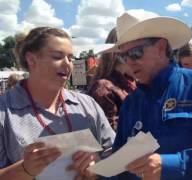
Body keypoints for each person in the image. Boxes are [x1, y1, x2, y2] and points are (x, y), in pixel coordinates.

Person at [106, 11, 192, 179]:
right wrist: (96, 169)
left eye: (135, 53)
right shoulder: (131, 103)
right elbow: (120, 166)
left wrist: (170, 165)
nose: (129, 61)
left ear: (160, 47)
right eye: (123, 56)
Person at [0, 27, 115, 179]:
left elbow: (113, 152)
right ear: (31, 59)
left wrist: (98, 165)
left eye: (71, 58)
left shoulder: (87, 105)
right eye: (57, 56)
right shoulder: (5, 110)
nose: (68, 64)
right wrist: (24, 169)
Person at [88, 28, 136, 130]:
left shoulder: (133, 83)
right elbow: (109, 133)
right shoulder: (104, 87)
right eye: (138, 52)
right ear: (121, 56)